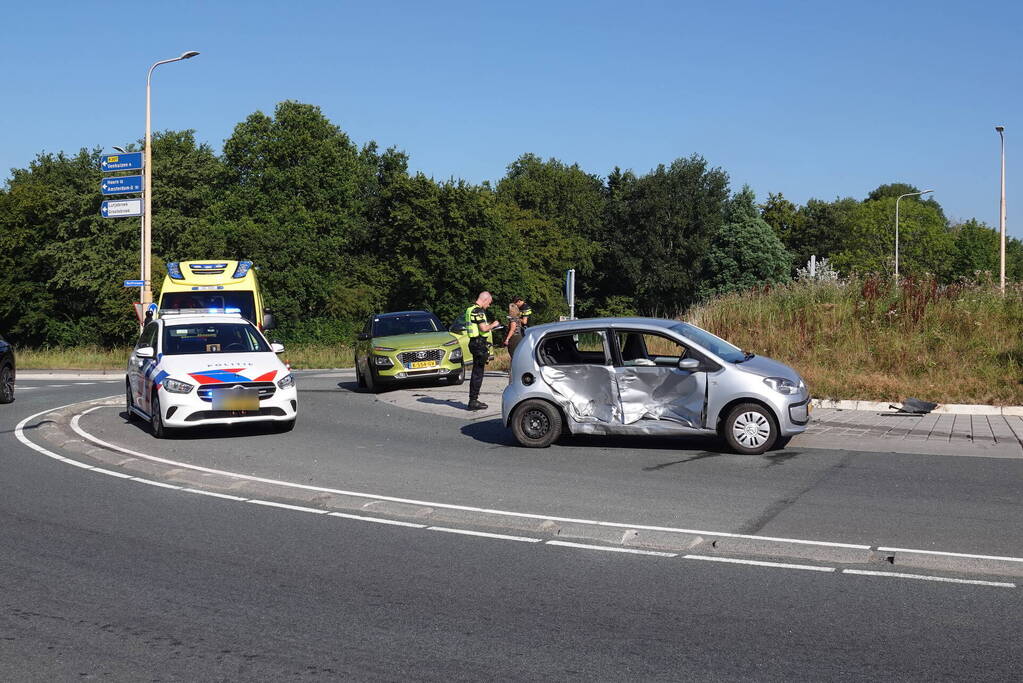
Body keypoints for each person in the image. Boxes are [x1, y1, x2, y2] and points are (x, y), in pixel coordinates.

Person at [464, 291, 502, 411]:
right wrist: (494, 324)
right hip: (479, 344)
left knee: (476, 372)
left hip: (474, 343)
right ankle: (473, 401)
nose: (489, 305)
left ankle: (473, 399)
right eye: (489, 303)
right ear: (485, 300)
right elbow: (483, 328)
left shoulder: (470, 309)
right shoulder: (478, 311)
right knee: (478, 374)